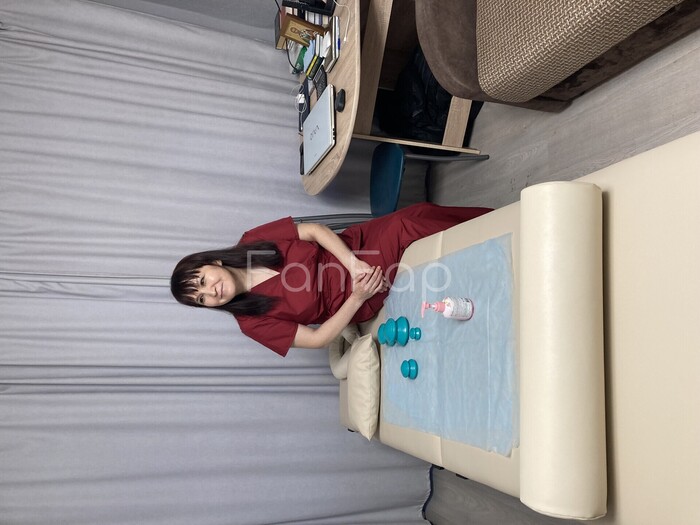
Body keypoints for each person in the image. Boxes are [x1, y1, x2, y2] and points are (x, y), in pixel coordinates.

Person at [171, 202, 491, 356]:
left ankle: (495, 221)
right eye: (202, 299)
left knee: (417, 213)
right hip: (353, 296)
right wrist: (358, 296)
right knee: (407, 229)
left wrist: (353, 264)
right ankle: (491, 240)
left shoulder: (251, 240)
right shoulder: (251, 323)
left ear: (212, 262)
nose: (211, 292)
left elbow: (312, 231)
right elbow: (317, 339)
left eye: (202, 281)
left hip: (351, 250)